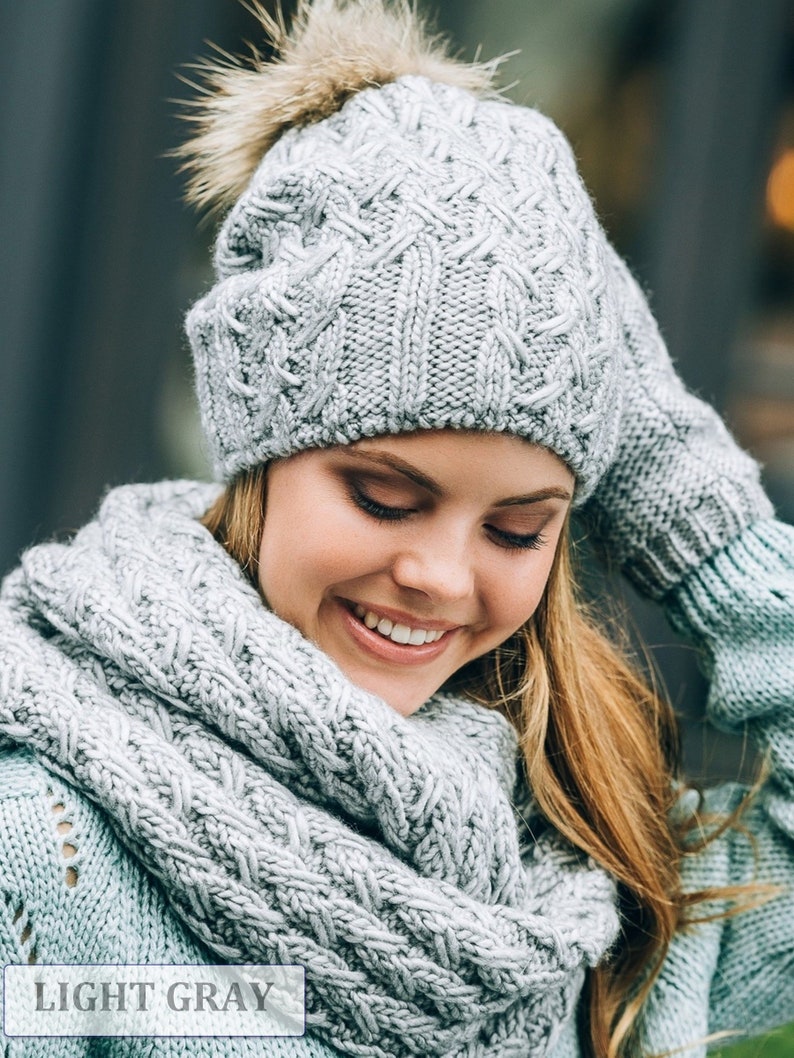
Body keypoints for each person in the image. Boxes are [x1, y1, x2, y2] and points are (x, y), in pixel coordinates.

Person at [0, 2, 792, 1056]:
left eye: (516, 529)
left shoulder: (603, 876)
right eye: (383, 496)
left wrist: (696, 515)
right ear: (258, 448)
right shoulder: (49, 849)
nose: (436, 573)